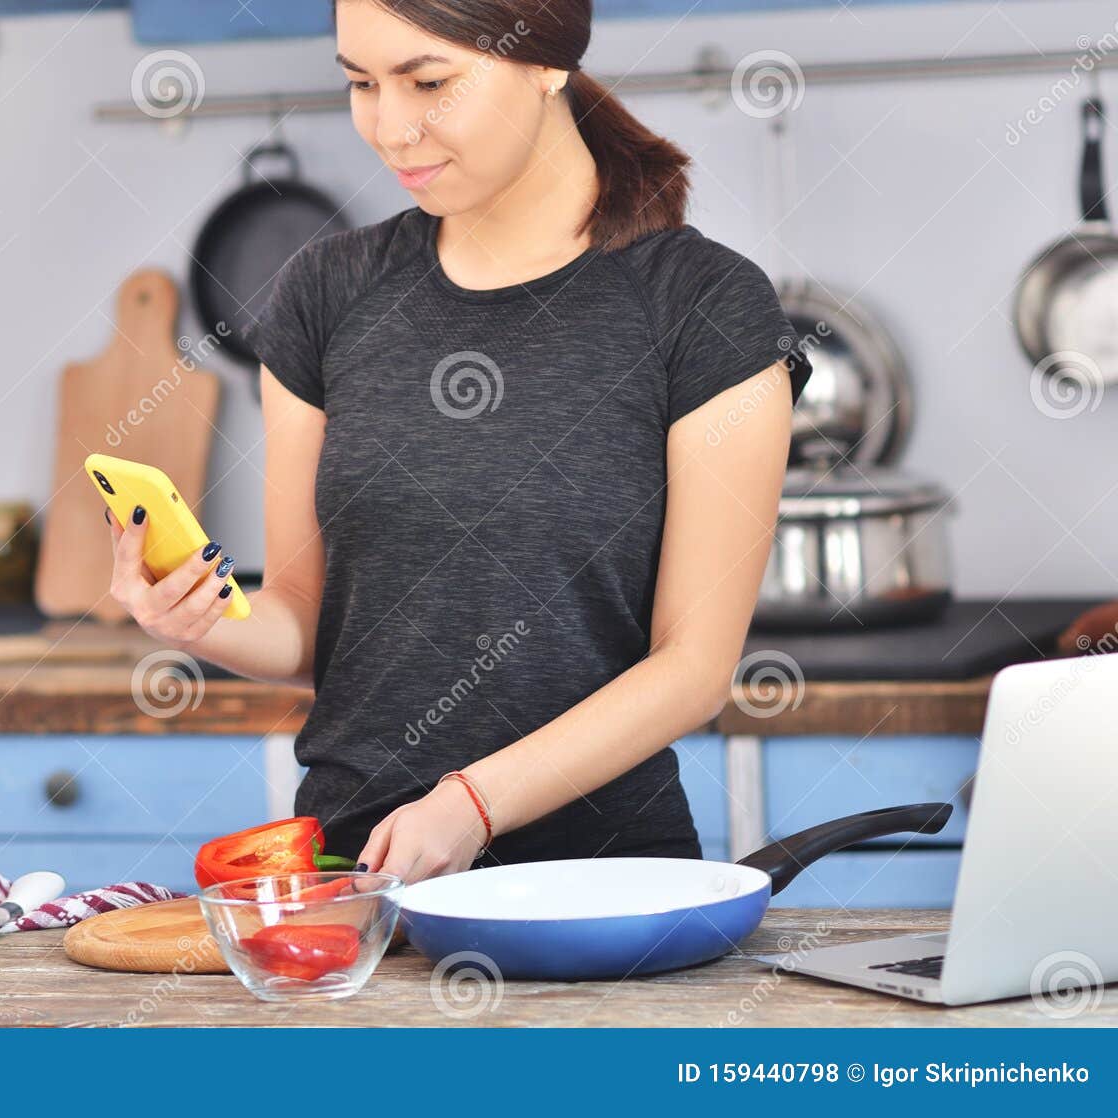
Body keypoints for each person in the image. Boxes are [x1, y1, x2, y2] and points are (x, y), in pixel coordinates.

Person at [104, 0, 811, 885]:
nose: (391, 129)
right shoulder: (326, 292)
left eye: (429, 82)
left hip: (599, 891)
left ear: (549, 61)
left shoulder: (700, 305)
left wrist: (473, 804)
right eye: (360, 83)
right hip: (354, 881)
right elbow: (301, 620)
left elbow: (694, 668)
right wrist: (201, 618)